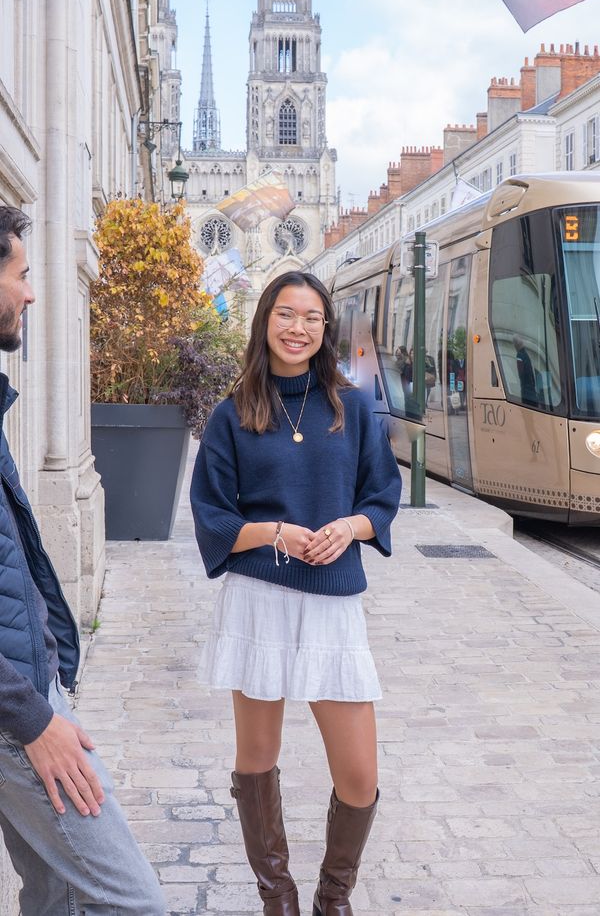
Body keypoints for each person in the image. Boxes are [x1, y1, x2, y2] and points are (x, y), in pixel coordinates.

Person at [190, 271, 401, 916]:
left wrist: (350, 527)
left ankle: (332, 898)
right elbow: (211, 515)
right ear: (266, 322)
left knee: (360, 775)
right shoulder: (232, 415)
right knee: (256, 758)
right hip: (259, 597)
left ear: (325, 329)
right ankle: (276, 897)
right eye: (286, 314)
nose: (298, 328)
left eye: (312, 317)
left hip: (333, 600)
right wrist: (275, 531)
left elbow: (382, 499)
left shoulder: (354, 407)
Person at [0, 207, 165, 916]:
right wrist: (33, 718)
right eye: (21, 274)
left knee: (57, 894)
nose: (33, 293)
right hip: (17, 709)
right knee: (133, 902)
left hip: (29, 685)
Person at [513, 334, 538, 406]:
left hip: (526, 392)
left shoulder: (519, 356)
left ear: (516, 345)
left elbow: (521, 374)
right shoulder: (526, 354)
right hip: (531, 390)